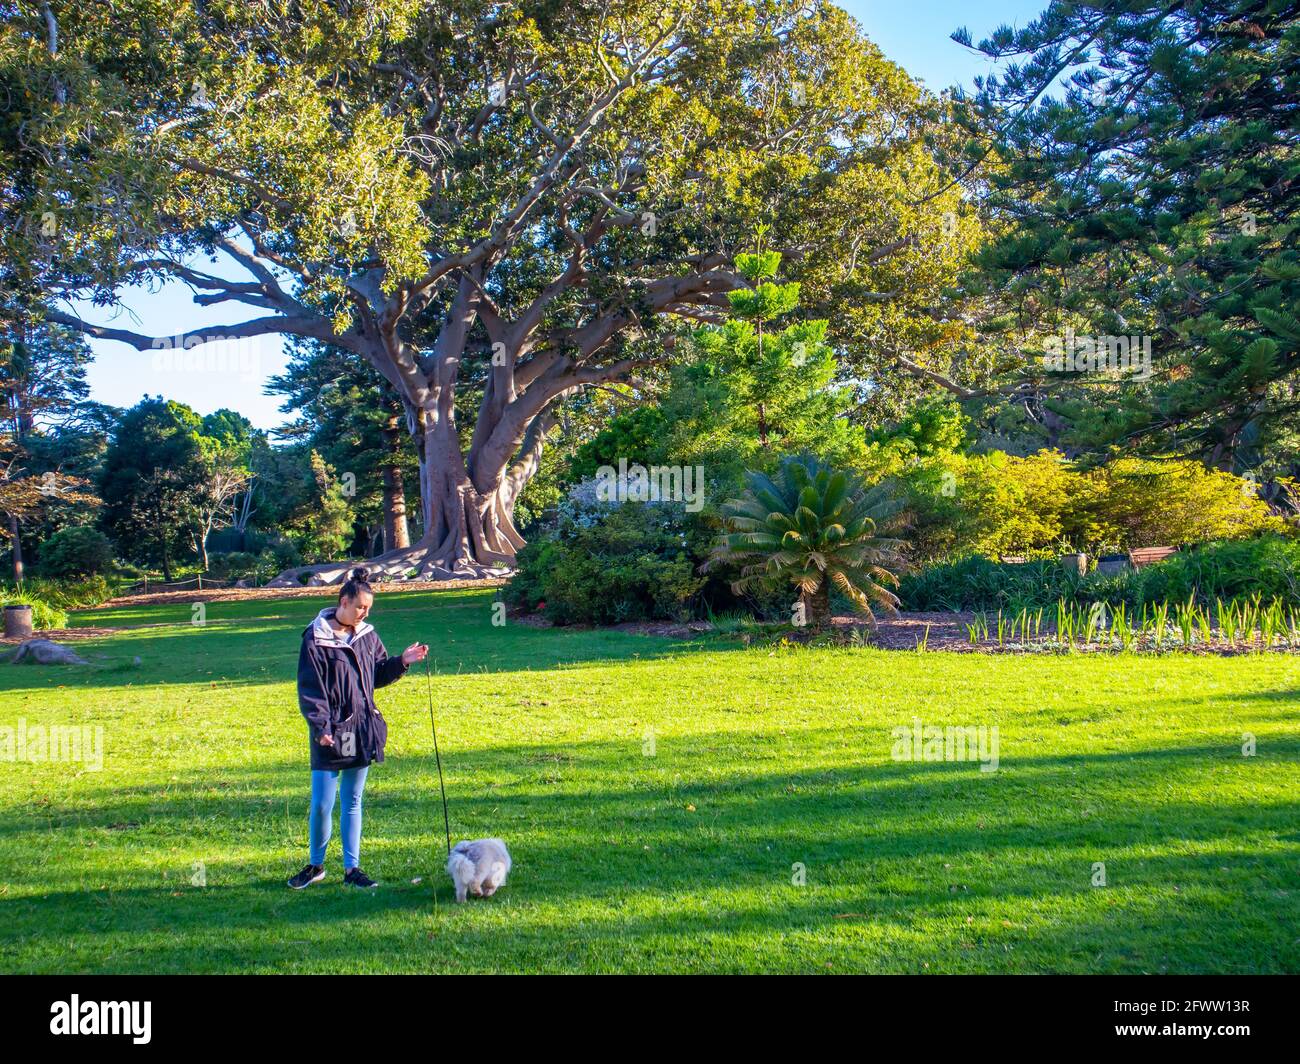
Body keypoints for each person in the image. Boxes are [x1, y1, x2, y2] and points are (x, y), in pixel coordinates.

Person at [288, 567, 427, 889]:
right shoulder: (316, 638)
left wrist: (402, 661)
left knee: (352, 800)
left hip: (360, 730)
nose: (364, 613)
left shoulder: (367, 636)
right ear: (343, 601)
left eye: (368, 609)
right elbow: (311, 688)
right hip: (332, 732)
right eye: (360, 607)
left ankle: (352, 869)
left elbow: (376, 675)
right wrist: (321, 726)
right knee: (323, 803)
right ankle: (315, 865)